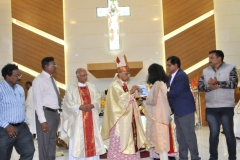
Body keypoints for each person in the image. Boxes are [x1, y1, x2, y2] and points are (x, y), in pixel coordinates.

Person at [101, 55, 146, 160]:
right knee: (120, 142)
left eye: (129, 74)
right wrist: (131, 92)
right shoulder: (114, 85)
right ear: (119, 73)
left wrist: (137, 96)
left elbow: (129, 100)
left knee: (130, 141)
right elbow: (119, 101)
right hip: (119, 123)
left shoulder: (125, 85)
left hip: (129, 121)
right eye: (126, 74)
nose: (128, 76)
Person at [198, 50, 238, 160]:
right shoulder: (205, 71)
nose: (209, 60)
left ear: (219, 58)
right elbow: (200, 86)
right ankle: (213, 157)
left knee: (229, 133)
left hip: (226, 106)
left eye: (211, 57)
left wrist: (217, 83)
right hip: (211, 107)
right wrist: (210, 87)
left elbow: (234, 83)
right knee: (214, 133)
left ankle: (232, 157)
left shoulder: (231, 68)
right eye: (209, 57)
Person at [62, 68, 106, 160]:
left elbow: (97, 98)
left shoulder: (92, 87)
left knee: (92, 139)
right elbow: (67, 102)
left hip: (91, 119)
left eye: (86, 75)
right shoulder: (71, 88)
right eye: (83, 75)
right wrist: (79, 107)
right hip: (78, 120)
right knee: (79, 140)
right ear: (77, 76)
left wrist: (92, 105)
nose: (85, 77)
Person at [166, 56, 200, 160]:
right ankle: (183, 157)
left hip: (185, 110)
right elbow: (165, 87)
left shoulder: (182, 76)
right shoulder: (170, 76)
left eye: (169, 65)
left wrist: (162, 94)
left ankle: (195, 157)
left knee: (189, 135)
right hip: (177, 110)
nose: (167, 67)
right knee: (180, 137)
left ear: (176, 65)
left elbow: (176, 92)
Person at [0, 63, 35, 160]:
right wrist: (6, 125)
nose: (19, 77)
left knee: (29, 152)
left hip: (22, 127)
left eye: (20, 75)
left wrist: (25, 121)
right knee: (3, 156)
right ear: (7, 76)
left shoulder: (20, 89)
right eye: (16, 75)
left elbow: (22, 106)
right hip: (4, 129)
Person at [32, 57, 61, 160]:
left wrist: (57, 114)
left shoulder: (52, 79)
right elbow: (38, 102)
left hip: (53, 113)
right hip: (45, 113)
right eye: (53, 64)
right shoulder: (39, 80)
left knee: (52, 141)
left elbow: (54, 99)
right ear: (46, 66)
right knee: (44, 143)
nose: (55, 67)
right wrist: (43, 121)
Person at [142, 63, 172, 160]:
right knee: (163, 137)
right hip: (163, 114)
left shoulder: (156, 84)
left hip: (157, 115)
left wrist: (144, 102)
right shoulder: (163, 83)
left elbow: (154, 101)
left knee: (159, 138)